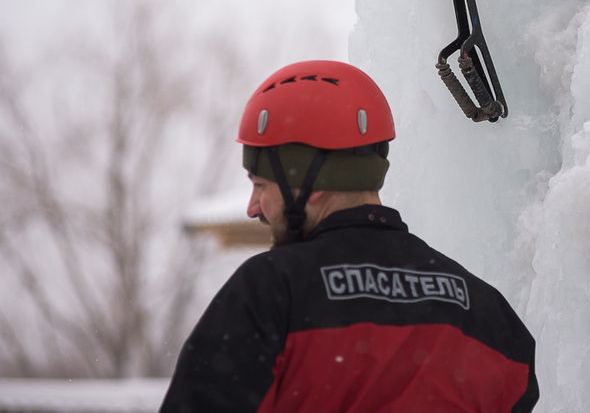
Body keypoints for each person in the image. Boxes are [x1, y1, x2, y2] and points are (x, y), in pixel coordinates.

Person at [161, 59, 538, 412]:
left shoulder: (270, 293)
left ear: (312, 182)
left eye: (261, 184)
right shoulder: (488, 314)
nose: (253, 207)